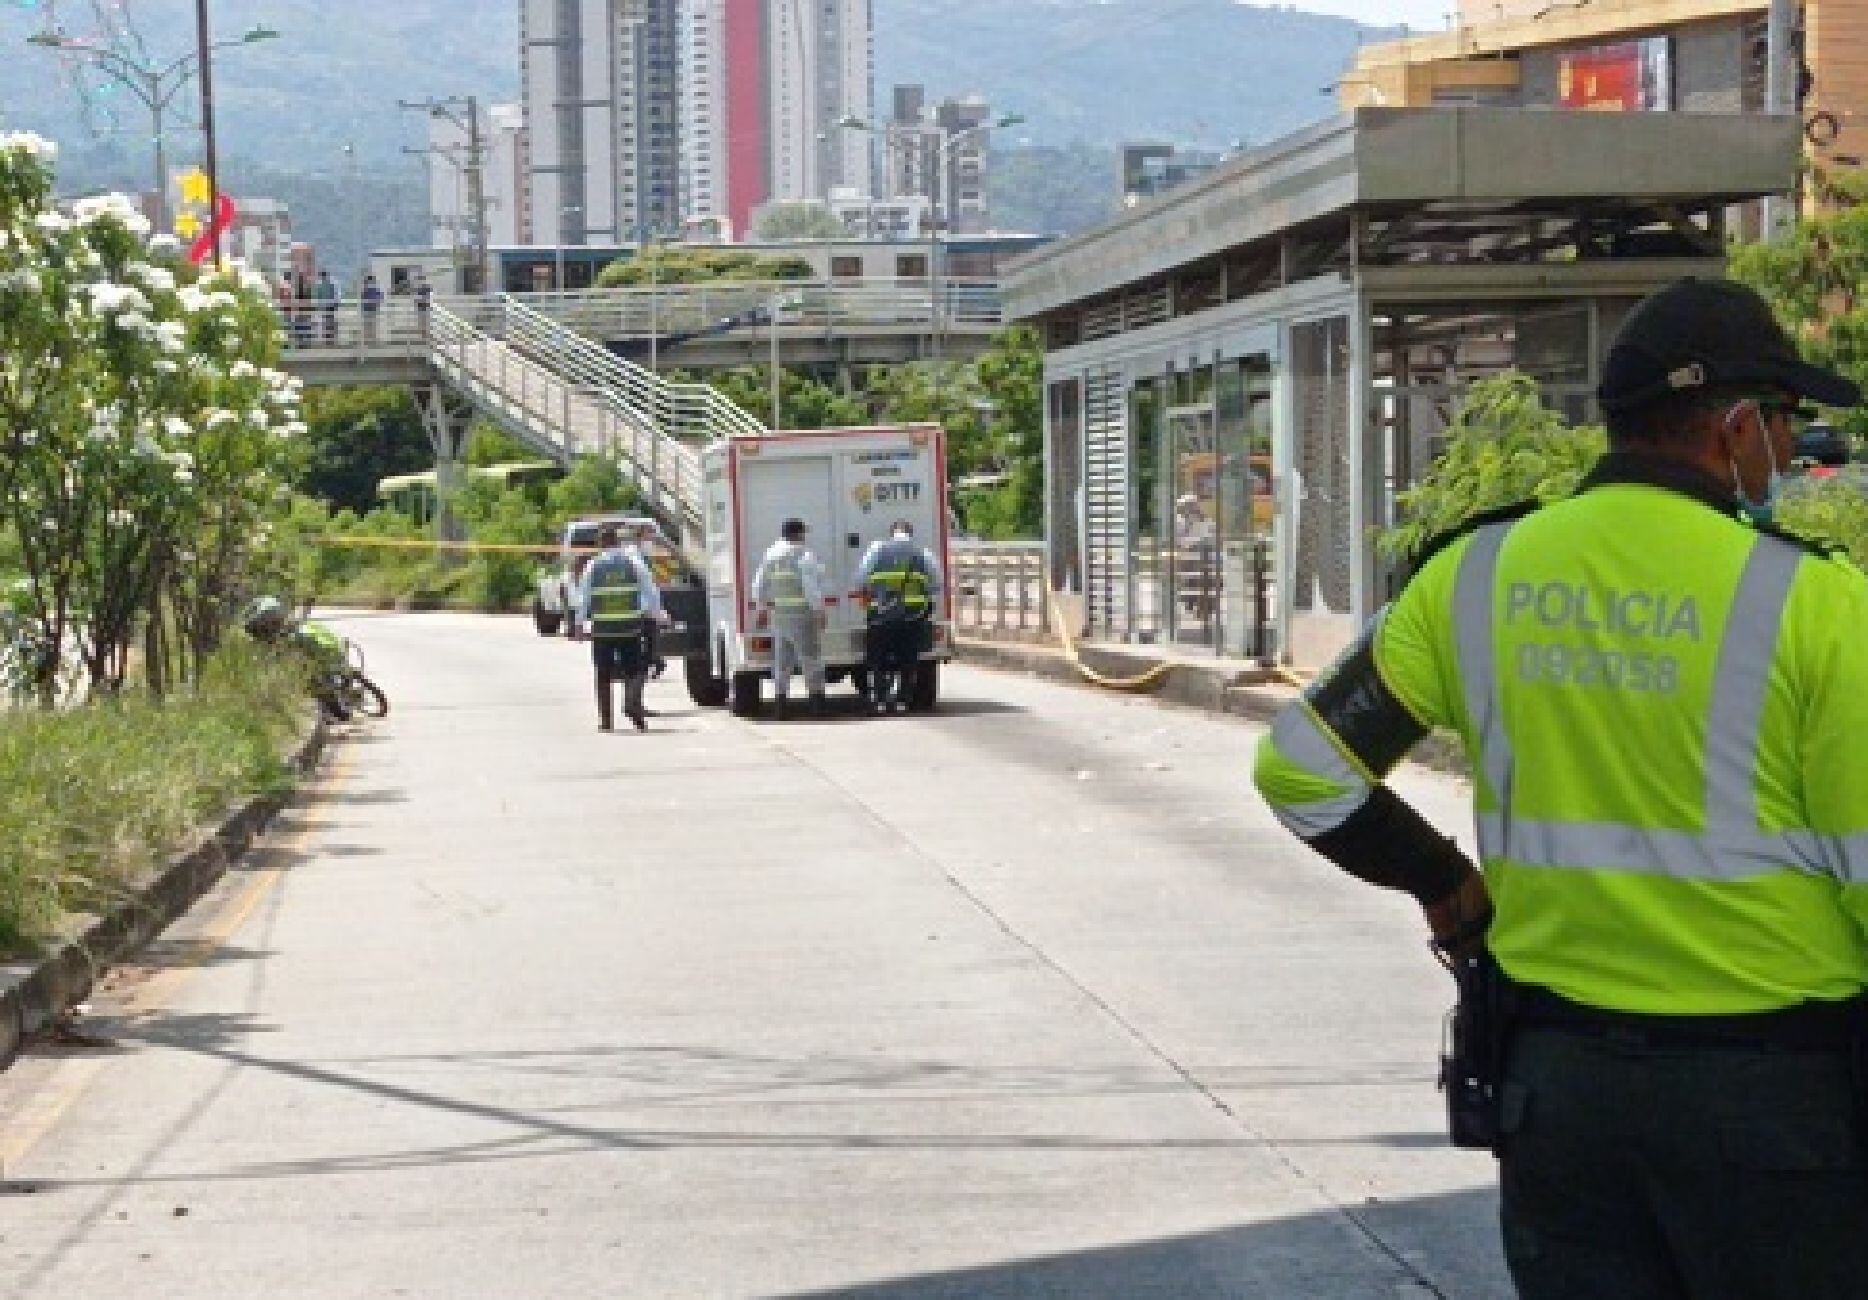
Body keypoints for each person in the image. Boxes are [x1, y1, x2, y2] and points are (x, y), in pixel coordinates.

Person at [1252, 276, 1868, 1299]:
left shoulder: (1476, 575)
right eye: (1784, 420)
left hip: (1560, 1104)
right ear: (1733, 427)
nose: (1785, 448)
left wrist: (1444, 884)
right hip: (1774, 1113)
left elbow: (1299, 767)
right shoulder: (1816, 605)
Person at [573, 524, 661, 732]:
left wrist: (578, 625)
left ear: (601, 544)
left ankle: (606, 721)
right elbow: (650, 591)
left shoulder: (592, 567)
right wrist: (656, 615)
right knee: (634, 670)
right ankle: (632, 703)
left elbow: (583, 598)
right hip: (629, 628)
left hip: (602, 630)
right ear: (618, 542)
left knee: (603, 675)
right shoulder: (633, 563)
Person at [856, 519, 941, 713]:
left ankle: (879, 700)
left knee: (878, 660)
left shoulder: (877, 551)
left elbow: (861, 579)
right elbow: (936, 584)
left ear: (892, 532)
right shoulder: (923, 554)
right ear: (910, 533)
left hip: (881, 617)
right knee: (908, 661)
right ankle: (903, 700)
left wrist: (872, 592)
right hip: (913, 618)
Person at [751, 518, 826, 719]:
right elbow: (810, 587)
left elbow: (759, 585)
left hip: (780, 617)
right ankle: (817, 705)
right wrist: (819, 611)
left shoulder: (772, 554)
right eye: (803, 533)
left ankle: (780, 706)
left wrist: (761, 609)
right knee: (811, 659)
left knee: (782, 663)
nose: (804, 537)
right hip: (802, 616)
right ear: (797, 534)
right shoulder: (802, 554)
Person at [314, 269, 339, 344]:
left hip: (325, 306)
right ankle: (331, 338)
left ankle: (327, 338)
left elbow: (318, 297)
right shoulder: (332, 283)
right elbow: (336, 295)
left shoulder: (320, 285)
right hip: (331, 305)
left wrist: (318, 306)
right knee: (330, 321)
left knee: (325, 322)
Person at [360, 273, 384, 344]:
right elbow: (380, 296)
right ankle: (372, 338)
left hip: (367, 307)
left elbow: (362, 297)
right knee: (372, 323)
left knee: (367, 323)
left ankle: (367, 338)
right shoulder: (375, 287)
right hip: (373, 307)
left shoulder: (365, 287)